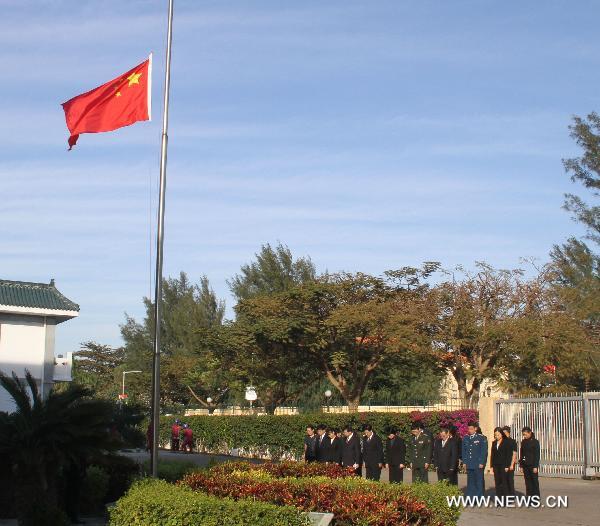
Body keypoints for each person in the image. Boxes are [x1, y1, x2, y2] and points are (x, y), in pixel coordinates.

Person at [462, 421, 488, 497]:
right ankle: (470, 497)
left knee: (478, 481)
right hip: (469, 463)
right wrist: (464, 462)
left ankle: (479, 498)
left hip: (477, 463)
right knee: (470, 482)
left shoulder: (481, 438)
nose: (469, 430)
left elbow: (483, 452)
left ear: (475, 429)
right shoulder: (466, 438)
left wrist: (482, 462)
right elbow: (464, 451)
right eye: (468, 429)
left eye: (471, 429)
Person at [490, 427, 513, 499]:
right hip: (496, 465)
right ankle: (499, 499)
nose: (497, 436)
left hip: (504, 465)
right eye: (495, 435)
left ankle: (506, 499)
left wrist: (507, 466)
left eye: (498, 435)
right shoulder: (494, 443)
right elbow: (492, 455)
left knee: (504, 482)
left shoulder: (506, 442)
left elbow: (508, 455)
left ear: (501, 434)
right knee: (497, 482)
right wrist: (491, 466)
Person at [520, 426, 541, 497]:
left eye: (525, 434)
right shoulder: (523, 442)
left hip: (532, 465)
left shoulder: (535, 442)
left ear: (530, 433)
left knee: (534, 482)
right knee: (528, 483)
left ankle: (536, 499)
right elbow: (522, 454)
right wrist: (521, 465)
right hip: (525, 465)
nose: (524, 436)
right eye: (523, 434)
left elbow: (537, 455)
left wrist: (535, 466)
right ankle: (529, 498)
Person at [501, 425, 517, 495]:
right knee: (503, 481)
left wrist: (512, 465)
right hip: (502, 464)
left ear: (508, 432)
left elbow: (514, 453)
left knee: (510, 480)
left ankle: (511, 496)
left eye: (504, 432)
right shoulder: (501, 441)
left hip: (510, 464)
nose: (503, 434)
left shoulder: (512, 441)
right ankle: (505, 495)